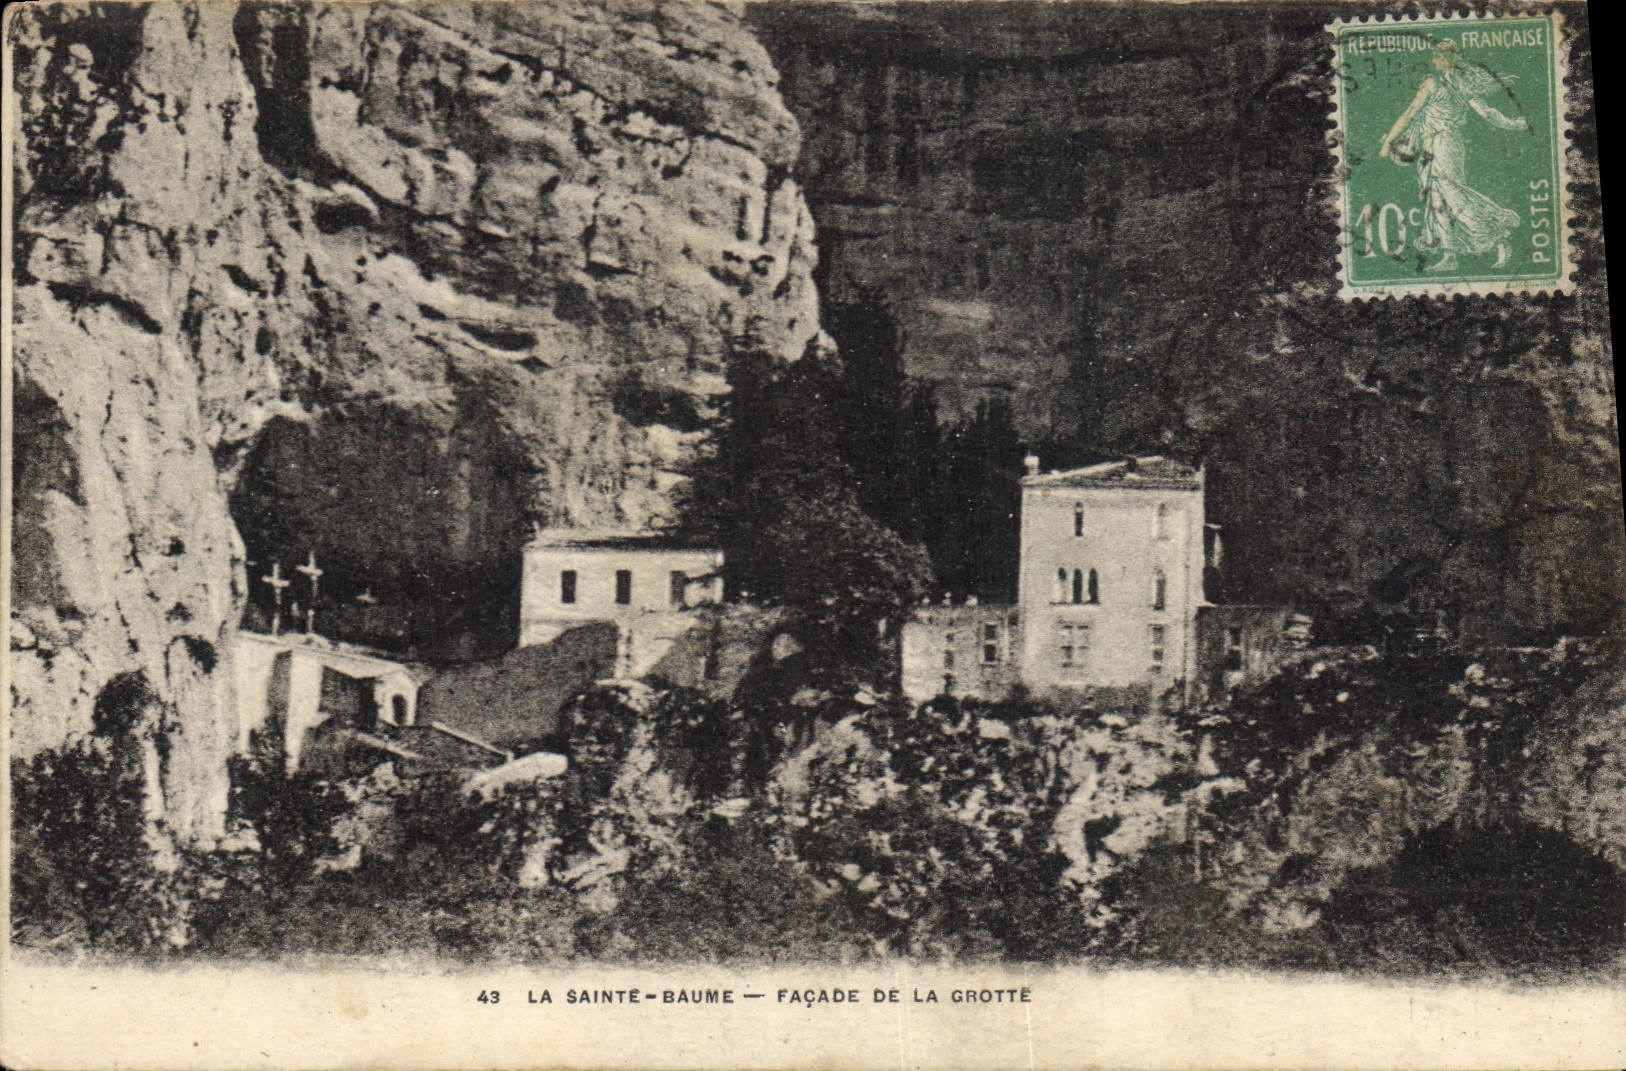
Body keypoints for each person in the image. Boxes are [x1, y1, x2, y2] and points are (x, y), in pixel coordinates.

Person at [1379, 40, 1528, 271]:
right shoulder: (1455, 83)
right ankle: (1450, 255)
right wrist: (1513, 124)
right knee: (1436, 199)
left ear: (1449, 58)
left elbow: (1410, 113)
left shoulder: (1442, 83)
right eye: (1435, 56)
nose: (1434, 61)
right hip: (1431, 145)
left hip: (1445, 143)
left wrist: (1388, 142)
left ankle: (1495, 235)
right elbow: (1487, 113)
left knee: (1452, 194)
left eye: (1438, 56)